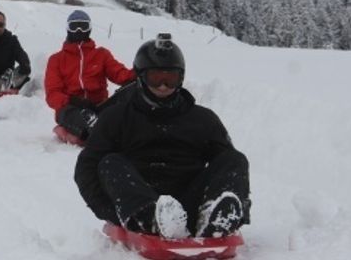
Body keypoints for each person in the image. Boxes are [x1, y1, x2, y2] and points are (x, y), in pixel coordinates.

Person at [74, 34, 251, 239]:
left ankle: (215, 219)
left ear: (181, 78)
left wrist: (234, 201)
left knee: (234, 159)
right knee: (109, 162)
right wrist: (114, 213)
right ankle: (152, 220)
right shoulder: (116, 117)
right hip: (141, 200)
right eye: (156, 78)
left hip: (189, 201)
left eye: (171, 78)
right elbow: (87, 169)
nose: (163, 86)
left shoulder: (203, 119)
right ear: (141, 77)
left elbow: (228, 165)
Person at [44, 10, 135, 141]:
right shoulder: (56, 59)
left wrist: (139, 71)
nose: (79, 30)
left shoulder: (101, 54)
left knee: (133, 87)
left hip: (99, 105)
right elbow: (52, 93)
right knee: (84, 121)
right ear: (68, 29)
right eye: (74, 27)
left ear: (90, 29)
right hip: (71, 108)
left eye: (83, 26)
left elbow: (121, 75)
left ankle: (126, 127)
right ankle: (96, 132)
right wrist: (72, 101)